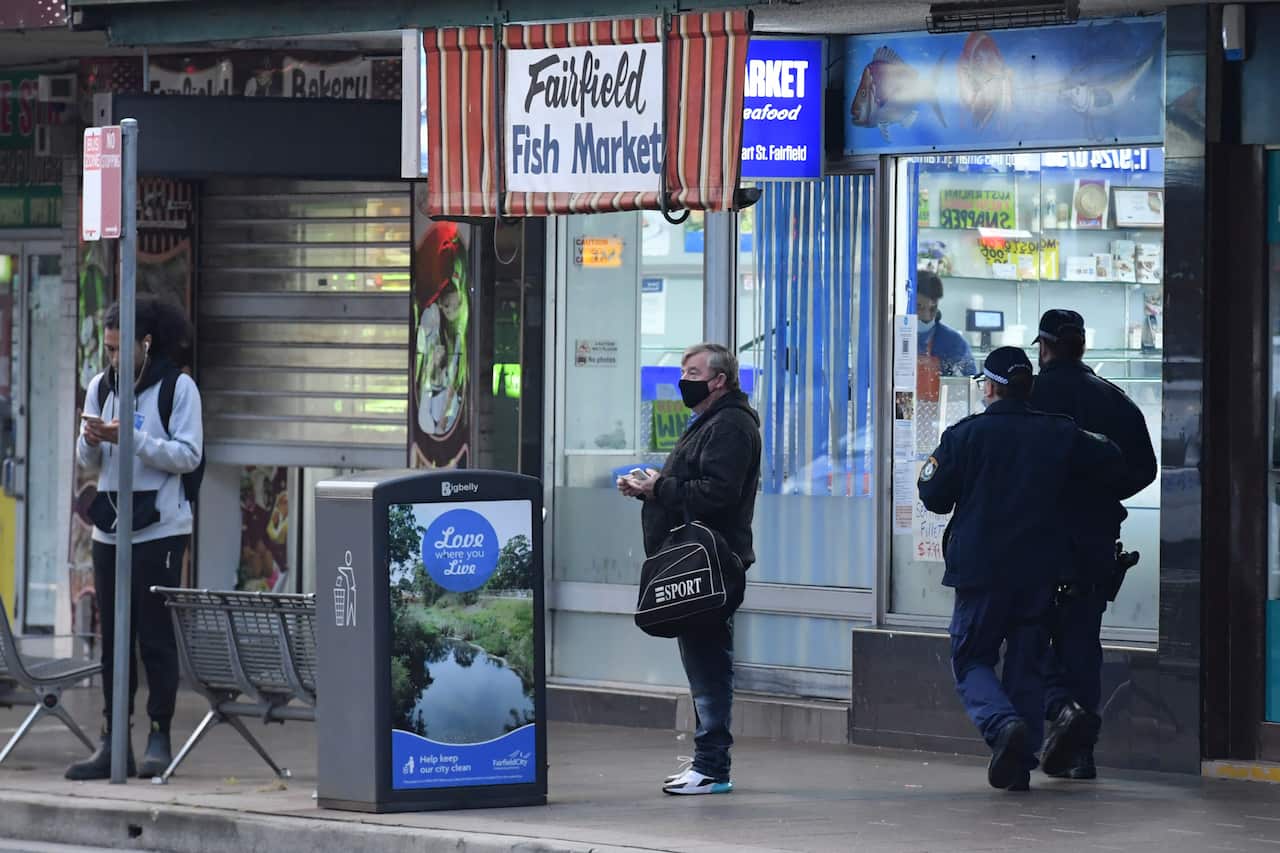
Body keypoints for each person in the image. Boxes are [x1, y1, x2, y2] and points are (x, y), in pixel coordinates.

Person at [918, 346, 1123, 792]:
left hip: (981, 571)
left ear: (990, 387)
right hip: (1040, 570)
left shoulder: (966, 435)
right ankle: (1018, 760)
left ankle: (1002, 726)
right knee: (1027, 663)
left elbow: (932, 494)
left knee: (972, 657)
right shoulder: (1059, 432)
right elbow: (1111, 458)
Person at [66, 296, 203, 781]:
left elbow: (188, 456)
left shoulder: (178, 387)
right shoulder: (101, 386)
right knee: (112, 639)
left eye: (120, 348)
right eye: (107, 349)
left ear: (145, 342)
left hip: (161, 528)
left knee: (155, 637)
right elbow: (87, 462)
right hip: (112, 525)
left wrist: (133, 438)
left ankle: (159, 735)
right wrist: (92, 438)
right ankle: (111, 739)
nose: (112, 358)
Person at [617, 343, 761, 795]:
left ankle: (712, 765)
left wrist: (661, 487)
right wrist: (650, 491)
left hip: (711, 564)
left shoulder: (731, 425)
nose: (685, 378)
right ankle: (707, 761)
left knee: (709, 664)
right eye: (683, 369)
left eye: (694, 371)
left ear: (719, 380)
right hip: (694, 562)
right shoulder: (710, 421)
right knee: (702, 662)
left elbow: (717, 493)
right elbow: (694, 487)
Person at [1029, 309, 1158, 781]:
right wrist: (1103, 493)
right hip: (1094, 541)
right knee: (1082, 643)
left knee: (1025, 634)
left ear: (1044, 348)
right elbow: (1145, 468)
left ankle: (1059, 710)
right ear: (1082, 346)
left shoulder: (1030, 397)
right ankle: (1081, 751)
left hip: (1038, 541)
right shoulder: (1115, 401)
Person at [917, 270, 976, 378]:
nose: (926, 316)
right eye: (919, 307)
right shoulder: (893, 337)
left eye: (932, 309)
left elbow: (969, 381)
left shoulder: (954, 342)